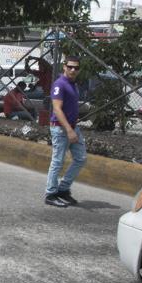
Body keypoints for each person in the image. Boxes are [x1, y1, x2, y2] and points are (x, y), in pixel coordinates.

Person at [44, 56, 86, 208]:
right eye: (70, 67)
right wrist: (69, 130)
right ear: (64, 67)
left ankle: (63, 189)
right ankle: (50, 193)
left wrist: (73, 128)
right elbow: (56, 108)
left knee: (81, 158)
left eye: (76, 67)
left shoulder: (73, 84)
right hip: (61, 129)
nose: (73, 70)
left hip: (73, 128)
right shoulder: (59, 84)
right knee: (57, 161)